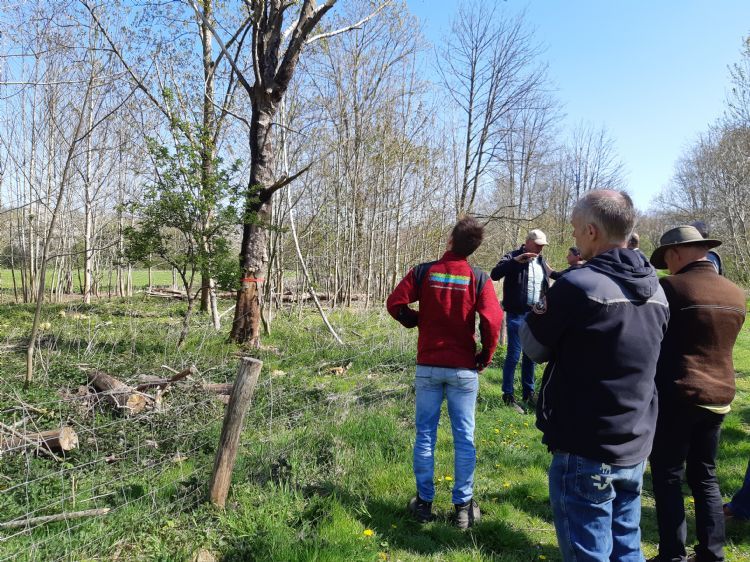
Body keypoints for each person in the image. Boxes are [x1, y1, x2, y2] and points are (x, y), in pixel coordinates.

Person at [520, 190, 670, 561]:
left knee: (588, 553)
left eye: (574, 228)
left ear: (591, 231)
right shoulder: (657, 291)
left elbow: (533, 347)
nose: (572, 236)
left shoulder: (578, 285)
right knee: (627, 546)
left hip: (586, 445)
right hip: (635, 443)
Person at [386, 216, 502, 529]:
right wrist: (485, 356)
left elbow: (395, 303)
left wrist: (415, 319)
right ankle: (463, 507)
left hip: (428, 367)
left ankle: (424, 504)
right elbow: (493, 321)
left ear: (450, 241)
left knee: (425, 434)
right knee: (464, 438)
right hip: (463, 369)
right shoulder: (478, 278)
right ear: (473, 248)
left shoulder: (424, 272)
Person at [648, 225, 746, 562]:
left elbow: (653, 338)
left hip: (678, 393)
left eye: (667, 261)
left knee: (668, 476)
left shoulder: (670, 288)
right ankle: (712, 554)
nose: (668, 268)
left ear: (675, 253)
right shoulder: (735, 293)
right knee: (705, 475)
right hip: (720, 394)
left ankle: (672, 555)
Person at [490, 229, 550, 413]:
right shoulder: (512, 256)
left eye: (542, 245)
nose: (540, 248)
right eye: (538, 245)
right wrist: (516, 261)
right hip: (516, 314)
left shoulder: (541, 261)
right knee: (514, 355)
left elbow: (546, 283)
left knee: (530, 355)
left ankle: (528, 393)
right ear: (528, 242)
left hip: (535, 315)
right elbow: (495, 274)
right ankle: (508, 395)